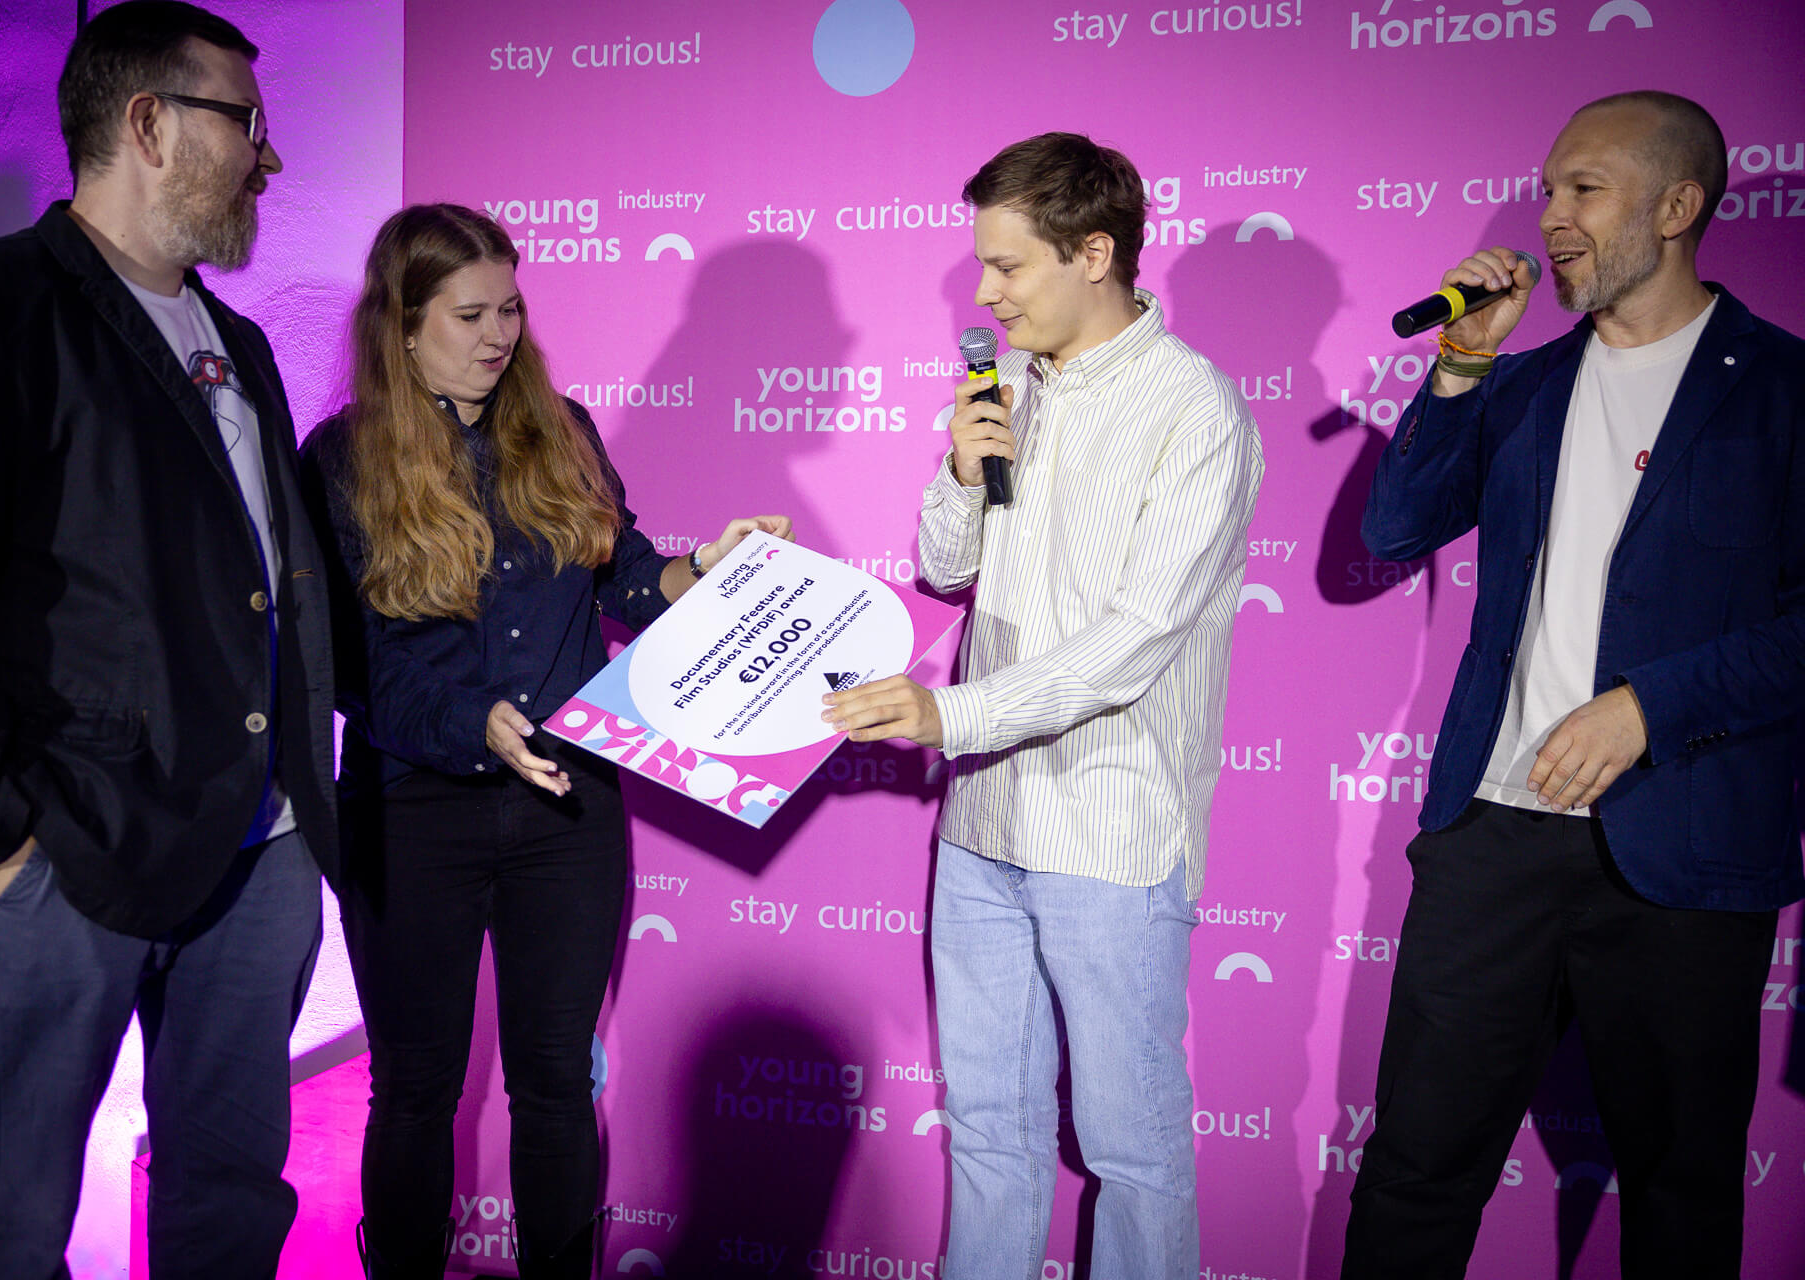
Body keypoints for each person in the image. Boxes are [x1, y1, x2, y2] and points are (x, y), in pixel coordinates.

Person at [0, 2, 336, 1276]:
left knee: (230, 1207)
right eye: (246, 122)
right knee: (6, 1222)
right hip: (64, 853)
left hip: (260, 855)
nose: (268, 155)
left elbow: (264, 585)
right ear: (148, 123)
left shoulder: (240, 343)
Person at [1345, 91, 1805, 1277]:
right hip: (1493, 835)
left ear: (1678, 205)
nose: (1551, 216)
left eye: (1584, 189)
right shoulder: (1522, 382)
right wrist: (1462, 363)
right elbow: (1393, 529)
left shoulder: (1785, 390)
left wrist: (1650, 705)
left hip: (1684, 850)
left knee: (1680, 1193)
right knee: (1415, 1170)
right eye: (1548, 189)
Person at [299, 202, 790, 1280]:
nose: (500, 335)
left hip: (568, 809)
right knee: (415, 1088)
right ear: (403, 325)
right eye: (470, 314)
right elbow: (350, 664)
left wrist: (704, 571)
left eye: (511, 309)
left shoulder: (560, 426)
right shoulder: (340, 458)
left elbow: (626, 576)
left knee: (557, 1081)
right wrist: (470, 723)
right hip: (411, 811)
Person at [822, 133, 1263, 1279]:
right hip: (982, 825)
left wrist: (949, 716)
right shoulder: (1009, 384)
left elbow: (1133, 640)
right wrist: (960, 472)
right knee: (988, 1131)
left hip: (1110, 833)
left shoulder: (1196, 409)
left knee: (1133, 1151)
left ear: (1095, 254)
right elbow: (946, 568)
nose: (986, 292)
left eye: (1009, 265)